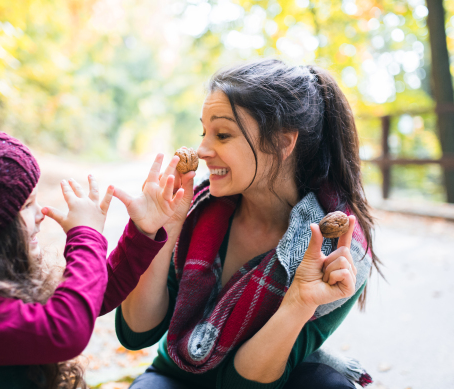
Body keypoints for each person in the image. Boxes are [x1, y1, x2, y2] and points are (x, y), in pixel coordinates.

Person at [116, 59, 379, 389]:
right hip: (177, 376)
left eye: (222, 135)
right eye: (204, 133)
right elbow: (137, 332)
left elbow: (243, 384)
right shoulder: (194, 211)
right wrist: (161, 234)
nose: (202, 150)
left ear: (283, 143)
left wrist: (299, 303)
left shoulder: (340, 250)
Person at [0, 113, 189, 389]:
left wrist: (142, 231)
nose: (40, 214)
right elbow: (68, 328)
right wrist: (87, 235)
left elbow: (92, 294)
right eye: (27, 206)